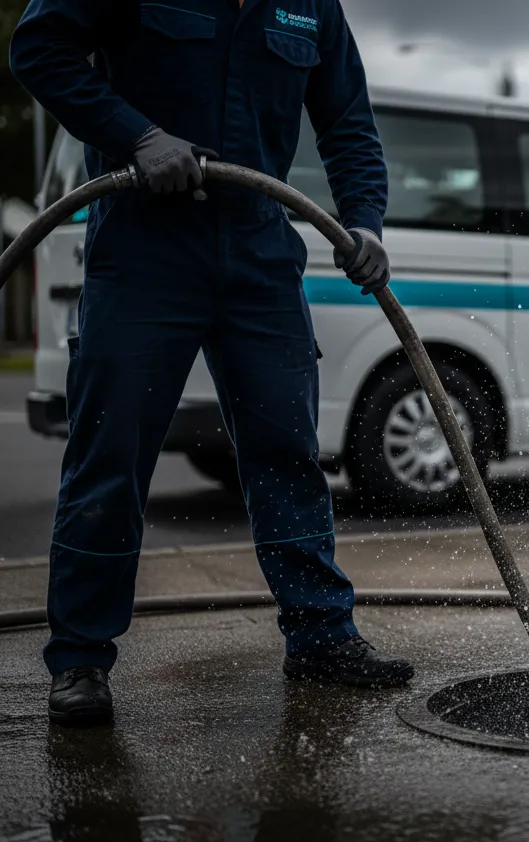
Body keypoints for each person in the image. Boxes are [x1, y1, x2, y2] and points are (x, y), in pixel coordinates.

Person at [10, 0, 412, 727]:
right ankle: (80, 659)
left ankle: (321, 635)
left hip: (260, 251)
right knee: (111, 454)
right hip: (143, 249)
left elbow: (347, 122)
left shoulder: (312, 5)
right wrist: (138, 136)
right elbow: (38, 49)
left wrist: (365, 220)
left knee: (286, 452)